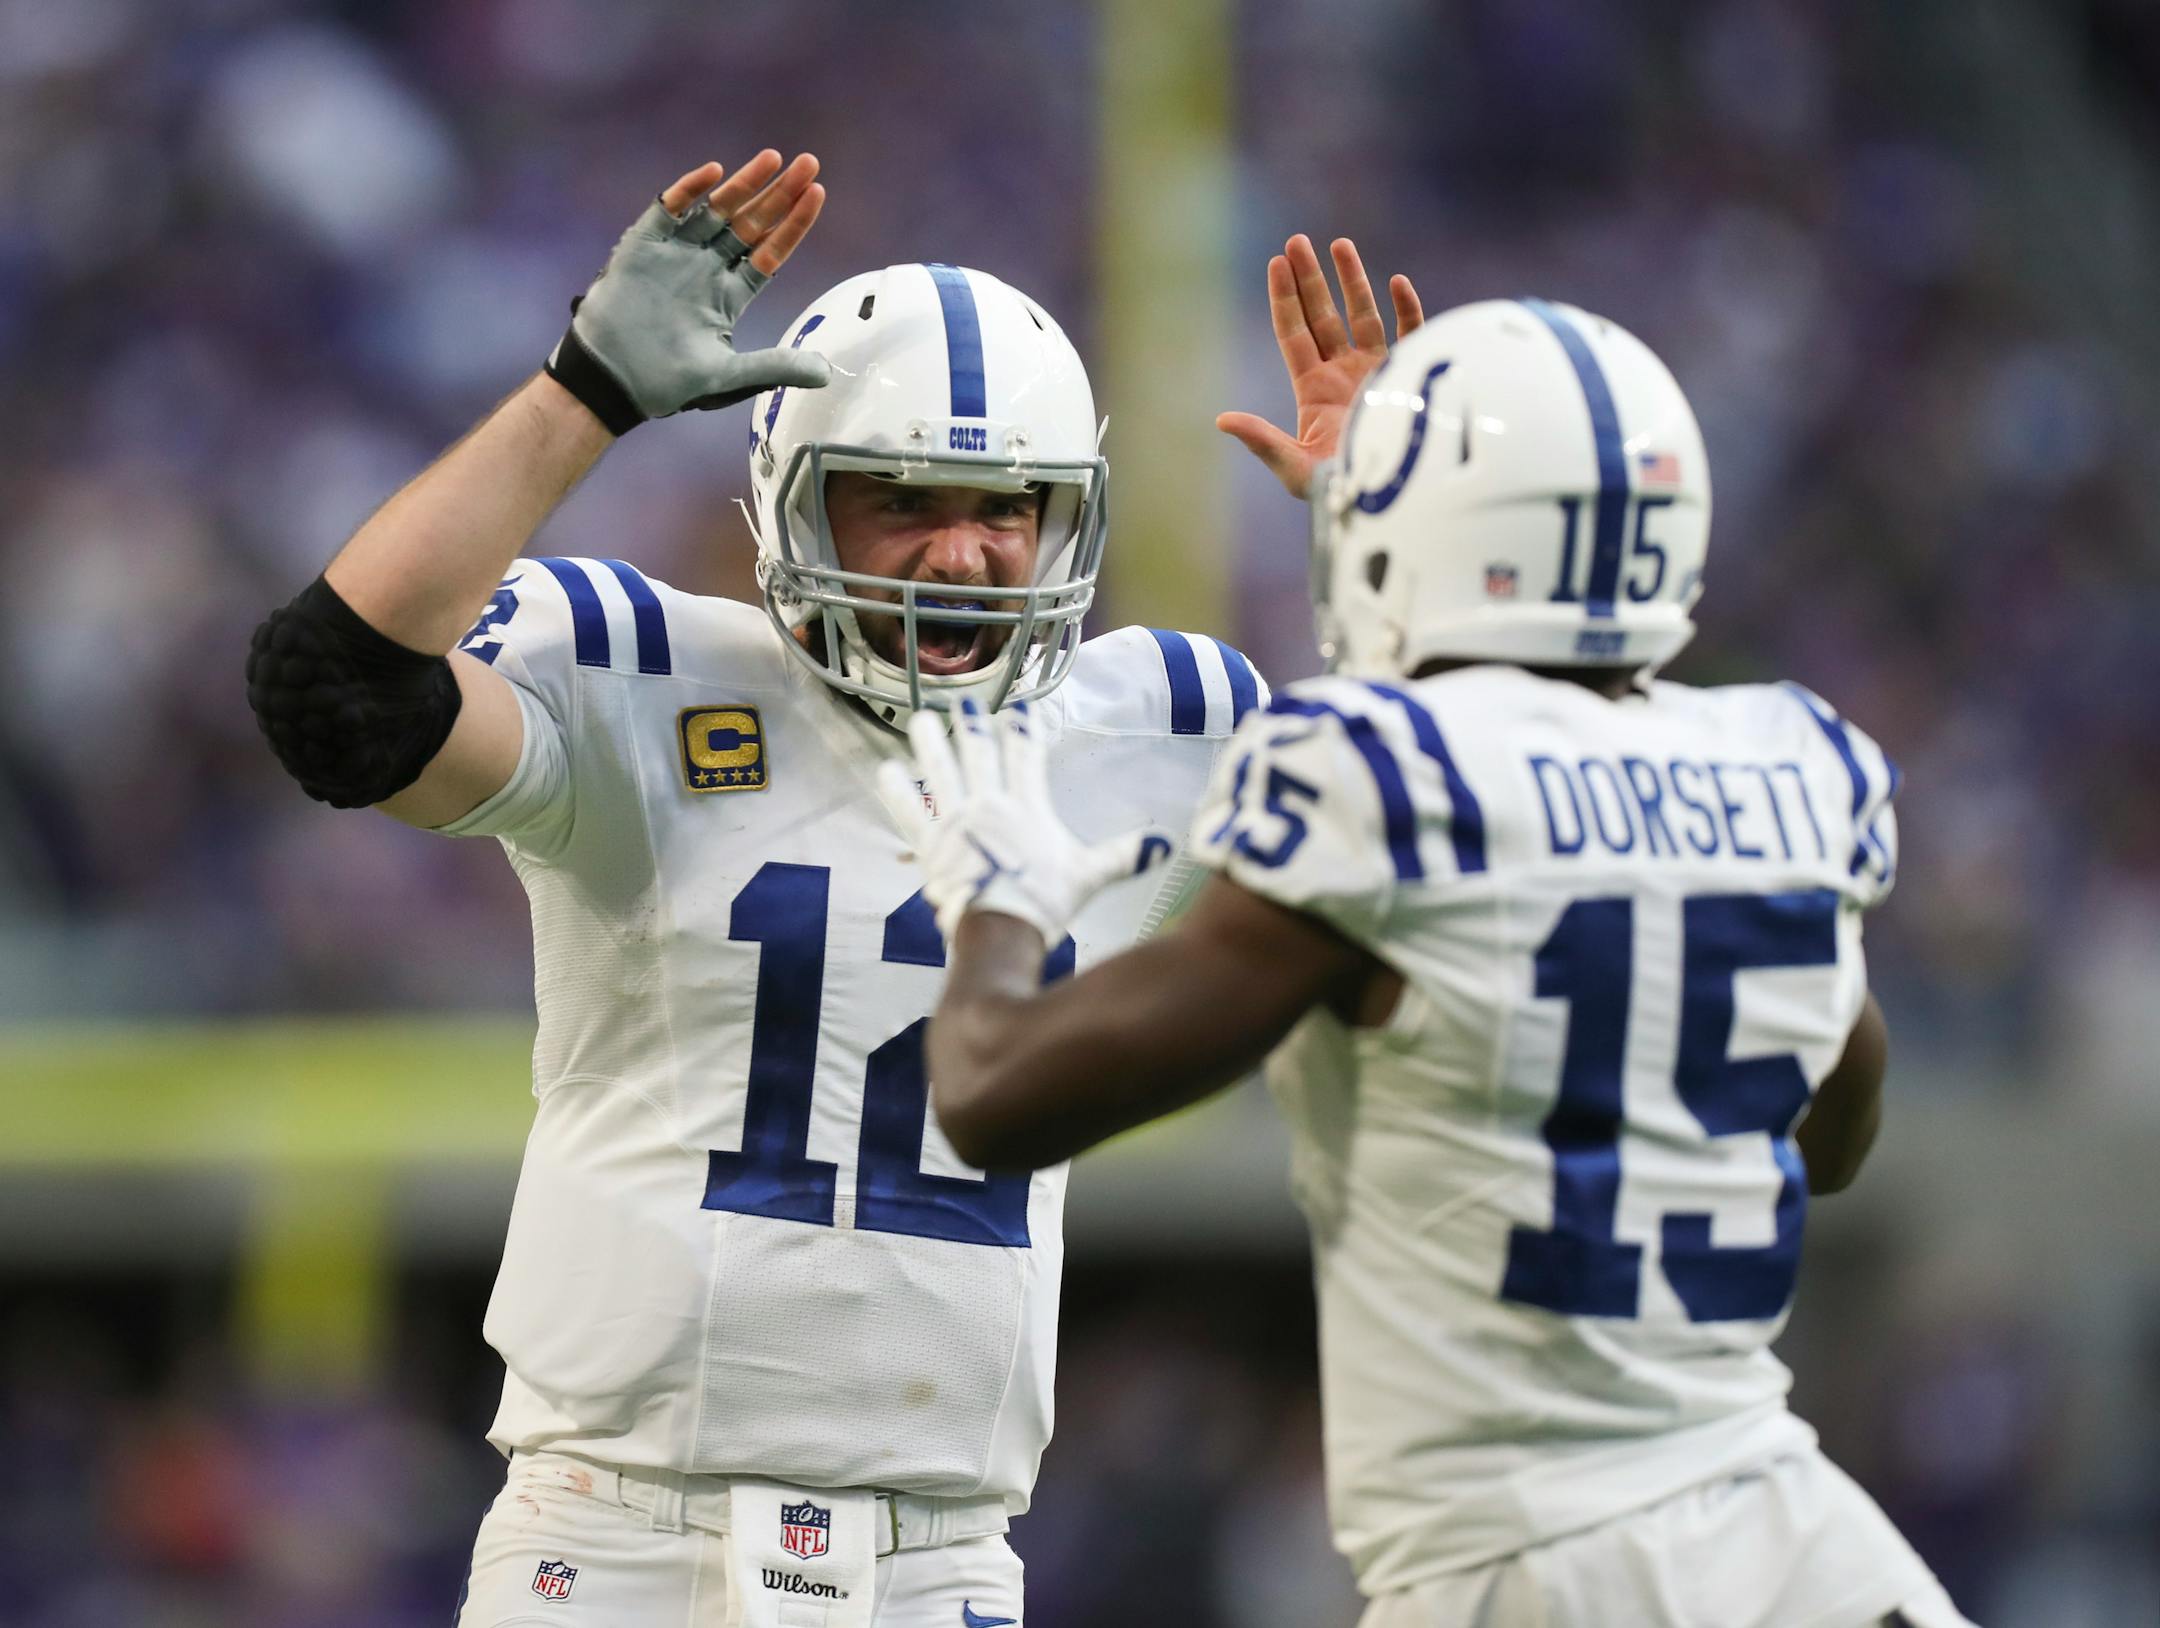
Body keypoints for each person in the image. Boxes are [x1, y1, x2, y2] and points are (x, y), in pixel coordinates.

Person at [244, 153, 1413, 1626]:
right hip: (617, 1539)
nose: (962, 553)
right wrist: (579, 395)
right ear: (791, 499)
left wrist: (1398, 559)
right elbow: (335, 697)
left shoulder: (1159, 725)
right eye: (901, 498)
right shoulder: (645, 679)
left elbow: (1466, 880)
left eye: (1010, 507)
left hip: (944, 1556)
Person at [884, 293, 1978, 1627]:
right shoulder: (1782, 765)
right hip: (1789, 1532)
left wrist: (999, 901)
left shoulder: (1384, 778)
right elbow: (1833, 1135)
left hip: (1523, 1563)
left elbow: (992, 1097)